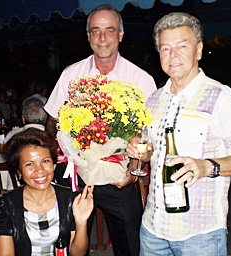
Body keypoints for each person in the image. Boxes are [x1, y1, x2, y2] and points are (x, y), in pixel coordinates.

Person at [126, 12, 231, 255]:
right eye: (165, 48)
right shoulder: (153, 100)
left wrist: (206, 167)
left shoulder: (221, 97)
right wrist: (139, 153)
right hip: (152, 229)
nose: (172, 55)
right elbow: (148, 154)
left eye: (181, 46)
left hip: (199, 234)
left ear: (198, 50)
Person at [44, 4, 157, 255]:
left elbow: (152, 134)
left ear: (121, 34)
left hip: (118, 174)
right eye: (95, 31)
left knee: (130, 239)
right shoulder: (71, 74)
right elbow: (51, 121)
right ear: (88, 36)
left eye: (109, 30)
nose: (102, 38)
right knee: (70, 236)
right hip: (75, 172)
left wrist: (136, 170)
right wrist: (57, 156)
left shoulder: (141, 79)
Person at [0, 128, 94, 256]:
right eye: (29, 164)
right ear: (19, 171)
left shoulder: (71, 200)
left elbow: (78, 253)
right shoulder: (5, 205)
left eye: (45, 161)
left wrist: (81, 223)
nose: (40, 170)